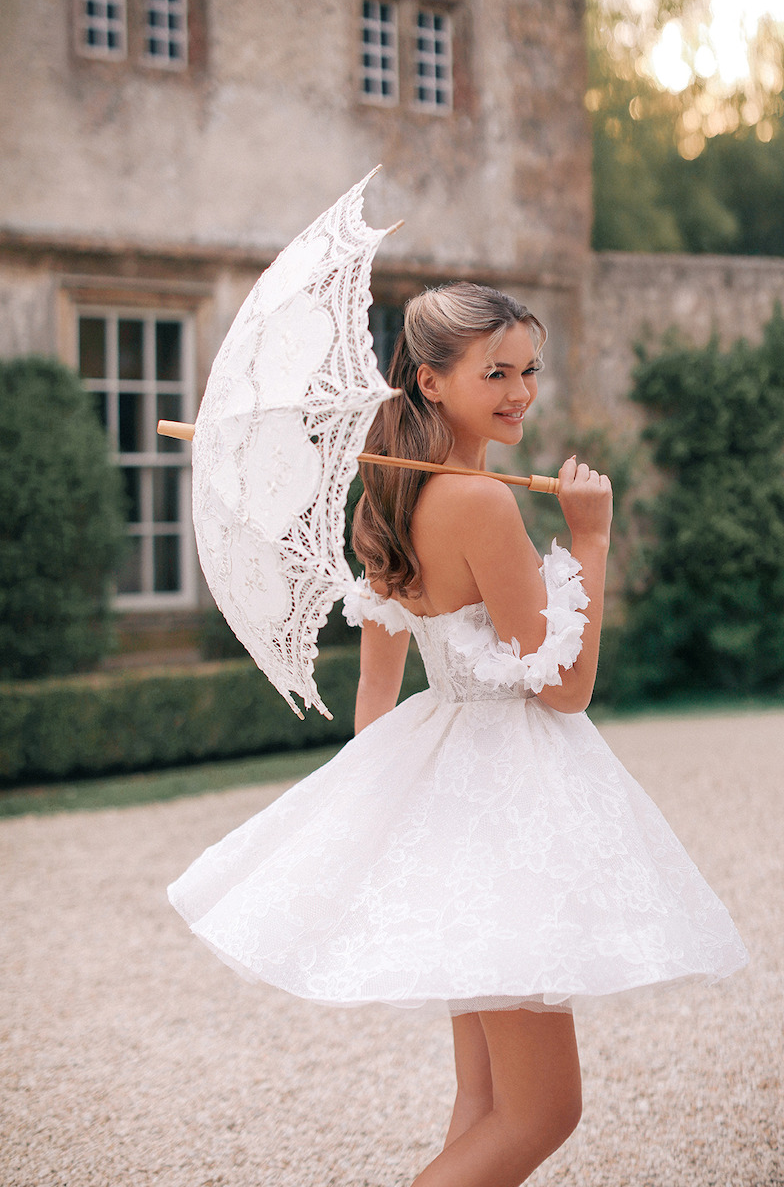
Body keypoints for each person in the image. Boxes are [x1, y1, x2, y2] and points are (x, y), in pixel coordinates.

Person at [168, 282, 748, 1187]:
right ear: (432, 383)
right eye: (496, 373)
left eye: (529, 370)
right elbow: (566, 692)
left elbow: (376, 685)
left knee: (485, 1105)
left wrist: (386, 819)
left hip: (455, 796)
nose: (521, 391)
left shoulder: (387, 501)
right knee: (546, 1111)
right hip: (507, 801)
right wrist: (592, 540)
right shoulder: (480, 502)